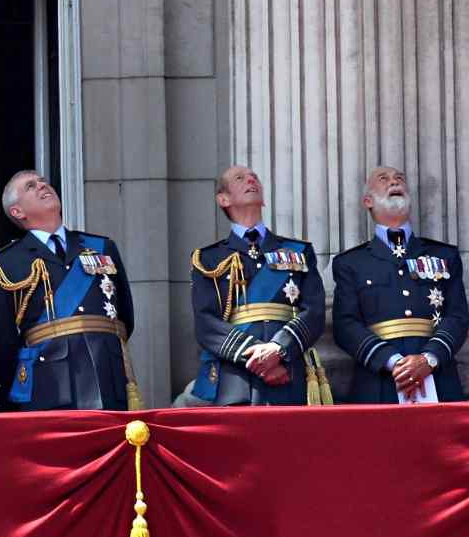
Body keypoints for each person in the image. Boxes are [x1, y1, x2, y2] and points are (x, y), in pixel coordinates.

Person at [0, 170, 141, 411]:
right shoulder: (5, 263)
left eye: (43, 181)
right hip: (49, 382)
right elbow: (1, 342)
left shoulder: (101, 246)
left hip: (106, 373)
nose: (43, 185)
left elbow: (124, 316)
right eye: (30, 186)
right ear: (17, 212)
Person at [189, 165, 327, 405]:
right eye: (240, 178)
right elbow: (206, 323)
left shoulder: (298, 251)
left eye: (255, 178)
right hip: (236, 378)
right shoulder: (208, 259)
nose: (251, 180)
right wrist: (258, 357)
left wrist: (278, 350)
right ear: (224, 199)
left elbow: (314, 311)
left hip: (289, 371)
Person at [332, 166, 467, 403]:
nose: (394, 182)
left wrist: (428, 359)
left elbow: (457, 315)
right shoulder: (351, 262)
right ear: (367, 201)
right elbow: (345, 325)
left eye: (399, 178)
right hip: (378, 381)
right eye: (383, 179)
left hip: (438, 376)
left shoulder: (444, 255)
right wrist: (393, 362)